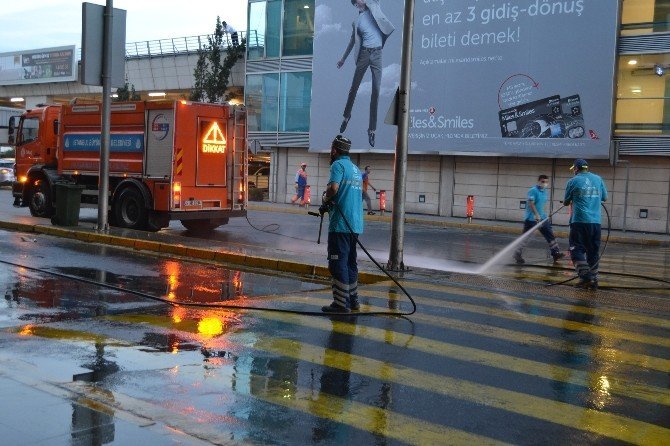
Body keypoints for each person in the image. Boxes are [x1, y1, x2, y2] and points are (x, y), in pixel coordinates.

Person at [337, 0, 394, 148]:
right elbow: (352, 42)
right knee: (353, 88)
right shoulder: (356, 21)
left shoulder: (375, 7)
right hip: (363, 54)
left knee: (376, 91)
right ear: (356, 5)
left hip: (377, 54)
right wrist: (343, 59)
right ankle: (346, 116)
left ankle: (372, 130)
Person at [319, 135, 363, 313]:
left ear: (335, 150)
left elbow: (334, 188)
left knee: (337, 263)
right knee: (351, 263)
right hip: (355, 224)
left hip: (340, 225)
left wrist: (325, 198)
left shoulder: (337, 165)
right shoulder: (355, 168)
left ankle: (340, 304)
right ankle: (353, 301)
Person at [563, 159, 608, 290]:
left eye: (574, 169)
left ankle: (586, 277)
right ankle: (593, 280)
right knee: (593, 251)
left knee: (576, 250)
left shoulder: (572, 181)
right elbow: (604, 198)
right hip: (595, 222)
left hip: (579, 222)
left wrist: (574, 197)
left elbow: (566, 202)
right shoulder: (598, 179)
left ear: (576, 169)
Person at [513, 175, 565, 264]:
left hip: (543, 218)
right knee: (526, 237)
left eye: (546, 182)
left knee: (550, 235)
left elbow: (541, 205)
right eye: (543, 181)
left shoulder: (545, 192)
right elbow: (531, 203)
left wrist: (545, 214)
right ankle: (517, 253)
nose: (545, 183)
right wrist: (536, 214)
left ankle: (555, 253)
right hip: (531, 219)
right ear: (538, 181)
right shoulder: (533, 190)